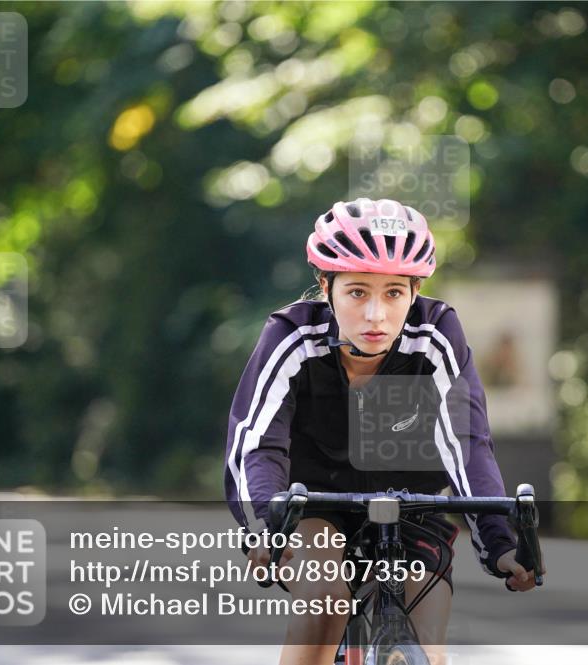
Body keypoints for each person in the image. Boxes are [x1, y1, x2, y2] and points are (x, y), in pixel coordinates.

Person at [224, 198, 541, 665]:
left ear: (414, 292)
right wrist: (266, 529)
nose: (376, 315)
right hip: (313, 506)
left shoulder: (436, 333)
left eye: (393, 293)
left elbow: (466, 443)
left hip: (411, 507)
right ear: (326, 287)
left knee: (427, 648)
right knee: (326, 601)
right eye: (357, 293)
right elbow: (257, 443)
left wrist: (500, 543)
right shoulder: (291, 335)